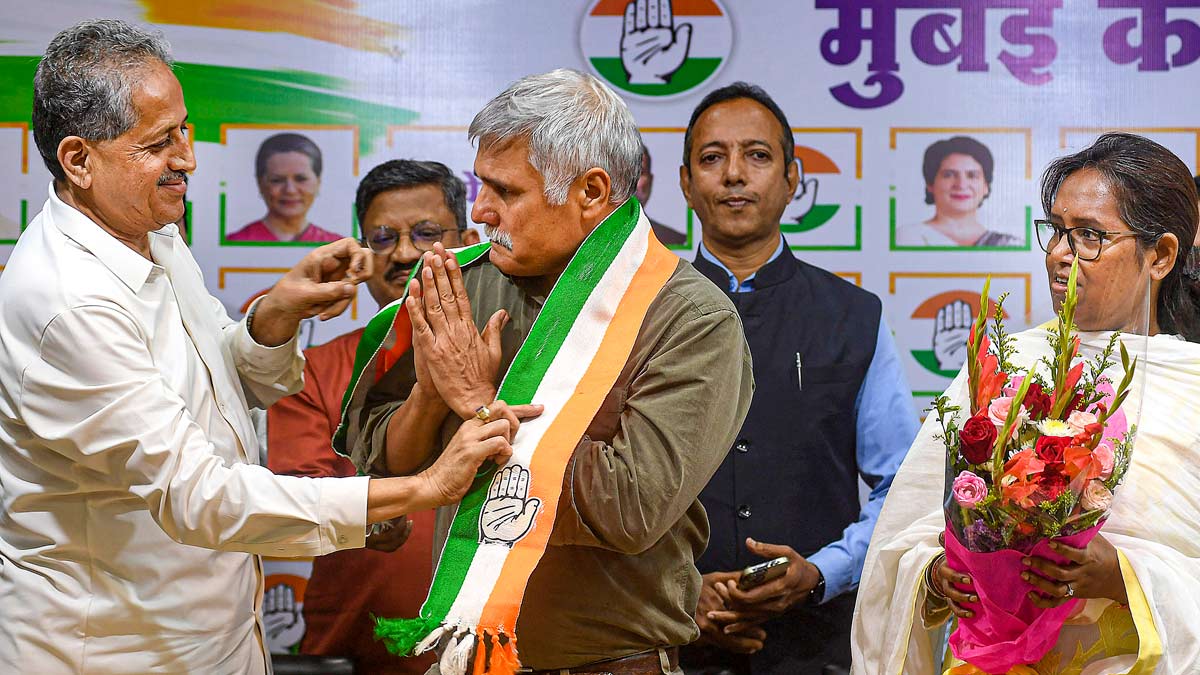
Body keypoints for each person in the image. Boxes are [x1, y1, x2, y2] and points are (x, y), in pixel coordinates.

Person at [0, 20, 529, 673]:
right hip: (117, 650)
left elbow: (211, 381)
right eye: (159, 143)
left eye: (185, 130)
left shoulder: (149, 228)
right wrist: (424, 486)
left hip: (215, 631)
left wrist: (270, 320)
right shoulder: (69, 302)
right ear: (79, 160)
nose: (188, 159)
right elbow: (201, 496)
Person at [349, 68, 753, 675]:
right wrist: (432, 398)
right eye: (480, 185)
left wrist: (477, 402)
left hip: (613, 663)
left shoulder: (690, 318)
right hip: (463, 658)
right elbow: (381, 465)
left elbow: (628, 509)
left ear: (590, 192)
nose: (480, 211)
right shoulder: (463, 282)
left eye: (506, 192)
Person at [853, 132, 1200, 674]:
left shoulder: (1192, 387)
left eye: (1089, 236)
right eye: (1057, 232)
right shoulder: (1002, 367)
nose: (1061, 255)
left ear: (1160, 256)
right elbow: (908, 535)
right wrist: (938, 575)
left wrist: (1121, 575)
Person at [675, 82, 918, 674]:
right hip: (668, 645)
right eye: (712, 158)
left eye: (757, 156)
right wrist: (676, 590)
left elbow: (904, 489)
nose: (734, 174)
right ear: (685, 182)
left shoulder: (853, 316)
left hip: (817, 645)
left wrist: (821, 572)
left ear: (792, 178)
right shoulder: (638, 313)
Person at [266, 159, 479, 674]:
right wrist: (369, 522)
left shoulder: (516, 353)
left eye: (426, 234)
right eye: (383, 237)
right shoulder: (312, 371)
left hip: (498, 640)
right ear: (360, 255)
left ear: (468, 240)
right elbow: (300, 501)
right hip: (355, 649)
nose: (404, 253)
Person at [896, 136, 1021, 248]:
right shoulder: (908, 238)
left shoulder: (1010, 244)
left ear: (986, 186)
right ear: (930, 184)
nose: (961, 185)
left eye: (972, 175)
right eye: (949, 175)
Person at [226, 132, 342, 243]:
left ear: (318, 182)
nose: (290, 190)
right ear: (260, 183)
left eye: (300, 179)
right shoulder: (235, 242)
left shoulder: (337, 247)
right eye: (277, 180)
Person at [639, 142, 688, 246]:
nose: (631, 181)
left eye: (640, 172)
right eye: (624, 172)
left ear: (650, 181)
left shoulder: (675, 240)